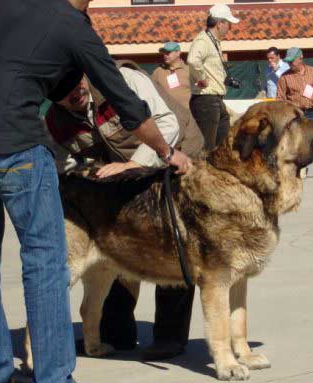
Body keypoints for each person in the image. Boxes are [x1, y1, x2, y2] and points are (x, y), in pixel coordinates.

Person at [0, 0, 190, 383]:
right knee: (45, 260)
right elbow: (121, 95)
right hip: (15, 143)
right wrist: (164, 150)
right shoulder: (70, 22)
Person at [45, 62, 203, 360]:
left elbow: (167, 126)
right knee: (118, 245)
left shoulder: (123, 81)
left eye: (76, 83)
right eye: (63, 94)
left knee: (175, 245)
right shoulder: (55, 120)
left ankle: (170, 337)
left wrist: (134, 165)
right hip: (122, 174)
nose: (74, 93)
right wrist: (87, 172)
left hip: (178, 152)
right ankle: (117, 332)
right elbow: (61, 162)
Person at [187, 3, 239, 152]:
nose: (230, 27)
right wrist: (201, 77)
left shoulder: (212, 41)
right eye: (228, 23)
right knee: (208, 149)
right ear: (219, 23)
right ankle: (203, 174)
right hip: (206, 100)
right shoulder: (204, 40)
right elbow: (192, 60)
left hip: (214, 100)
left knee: (221, 148)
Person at [276, 47, 313, 178]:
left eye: (292, 60)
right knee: (298, 142)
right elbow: (280, 99)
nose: (290, 63)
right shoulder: (284, 78)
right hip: (296, 115)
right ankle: (301, 169)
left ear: (300, 58)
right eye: (288, 61)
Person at [151, 42, 192, 108]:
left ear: (178, 53)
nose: (165, 55)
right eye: (164, 53)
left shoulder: (190, 71)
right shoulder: (158, 72)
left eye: (168, 52)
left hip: (187, 115)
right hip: (166, 115)